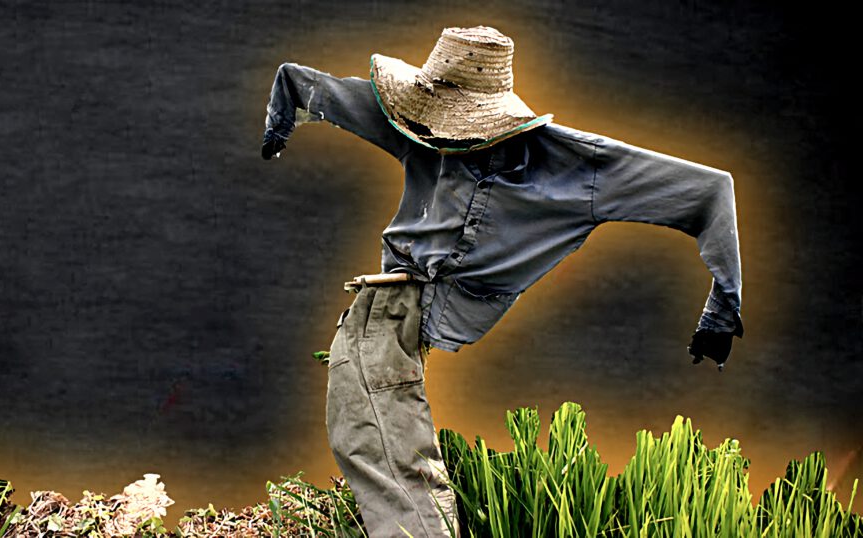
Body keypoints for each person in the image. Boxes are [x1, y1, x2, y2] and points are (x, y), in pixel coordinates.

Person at [260, 25, 744, 537]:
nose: (437, 134)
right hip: (391, 303)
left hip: (403, 313)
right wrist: (281, 116)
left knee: (377, 440)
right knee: (375, 433)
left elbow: (708, 190)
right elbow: (308, 86)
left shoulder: (577, 167)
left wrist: (722, 307)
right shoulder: (415, 125)